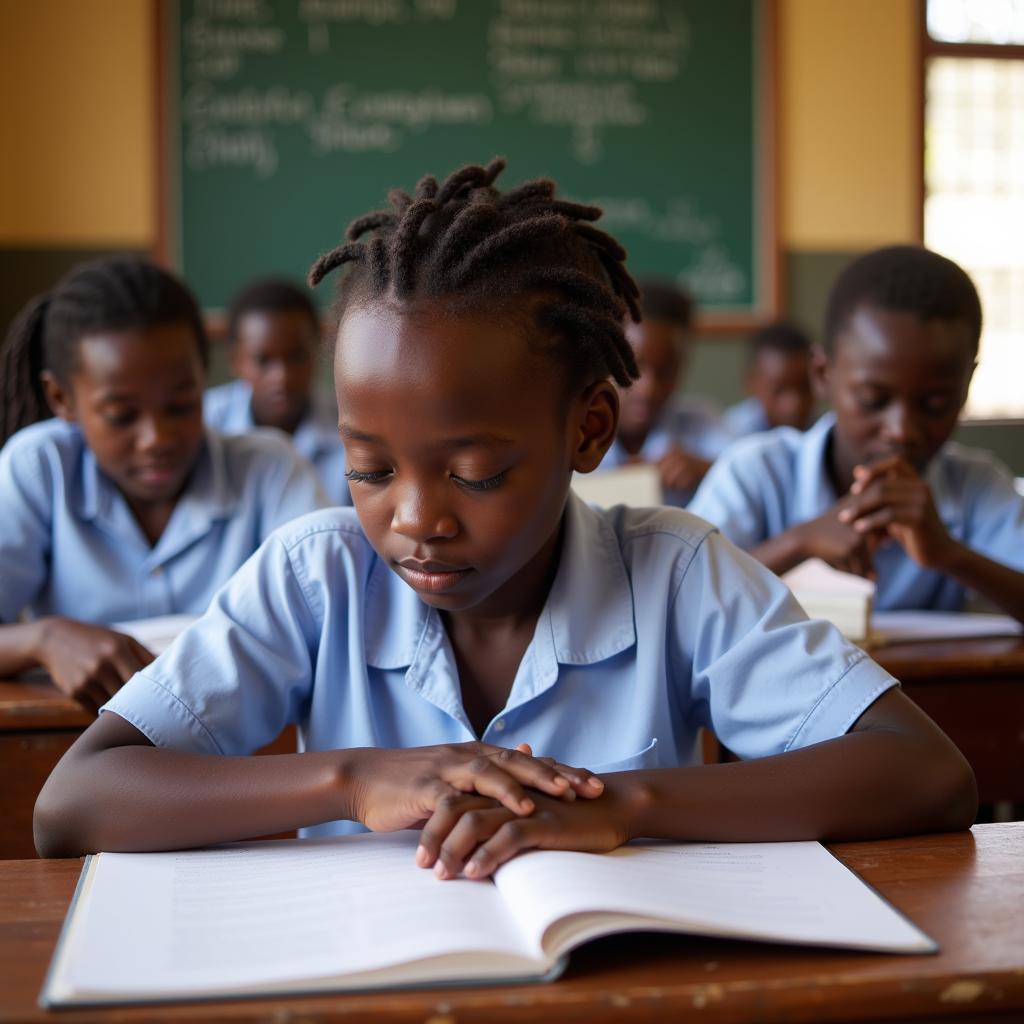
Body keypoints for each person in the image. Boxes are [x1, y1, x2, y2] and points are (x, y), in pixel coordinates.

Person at [35, 165, 975, 870]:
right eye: (369, 468)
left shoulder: (678, 572)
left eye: (475, 473)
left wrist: (623, 806)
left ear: (589, 429)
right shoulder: (315, 574)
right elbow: (75, 800)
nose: (414, 519)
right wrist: (355, 780)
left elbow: (925, 772)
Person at [0, 257, 328, 712]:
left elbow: (334, 618)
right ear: (62, 399)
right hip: (65, 746)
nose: (157, 439)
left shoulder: (269, 469)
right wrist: (44, 639)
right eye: (121, 416)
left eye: (180, 405)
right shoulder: (39, 467)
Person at [690, 245, 1024, 621]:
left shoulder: (975, 487)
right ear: (822, 375)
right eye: (873, 399)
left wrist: (948, 554)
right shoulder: (755, 472)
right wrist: (798, 542)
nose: (901, 431)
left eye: (935, 404)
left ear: (967, 385)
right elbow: (681, 602)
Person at [203, 278, 351, 505]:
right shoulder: (206, 423)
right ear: (235, 360)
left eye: (297, 356)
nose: (282, 376)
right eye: (263, 361)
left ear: (318, 349)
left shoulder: (351, 426)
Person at [597, 279, 732, 505]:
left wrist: (704, 469)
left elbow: (748, 472)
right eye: (633, 367)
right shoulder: (572, 430)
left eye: (666, 372)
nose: (648, 388)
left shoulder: (701, 424)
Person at [723, 320, 815, 436]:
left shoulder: (823, 430)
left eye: (805, 388)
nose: (794, 405)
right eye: (779, 390)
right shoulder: (731, 434)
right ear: (750, 382)